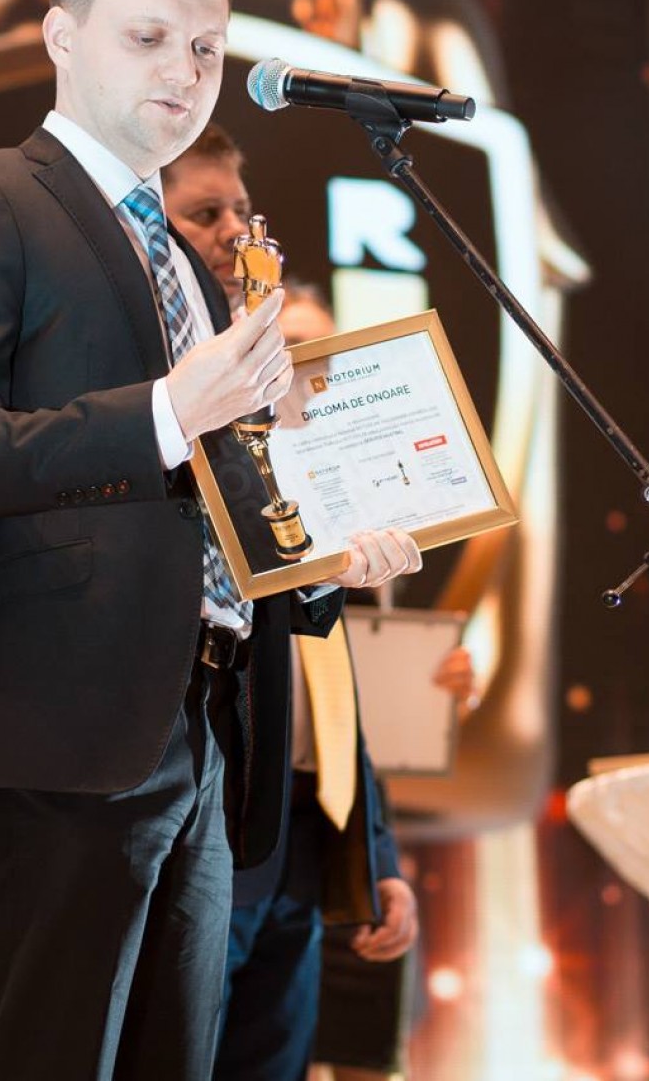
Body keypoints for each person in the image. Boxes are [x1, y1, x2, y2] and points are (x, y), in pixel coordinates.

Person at [0, 0, 424, 1080]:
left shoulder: (187, 266)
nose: (184, 69)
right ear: (62, 38)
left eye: (205, 46)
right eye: (148, 37)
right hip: (57, 725)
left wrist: (322, 562)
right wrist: (168, 408)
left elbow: (220, 506)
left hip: (210, 730)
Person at [164, 132, 478, 1081]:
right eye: (296, 352)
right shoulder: (203, 468)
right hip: (214, 819)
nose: (317, 375)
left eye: (335, 357)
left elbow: (344, 713)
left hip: (310, 834)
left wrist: (378, 856)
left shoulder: (351, 532)